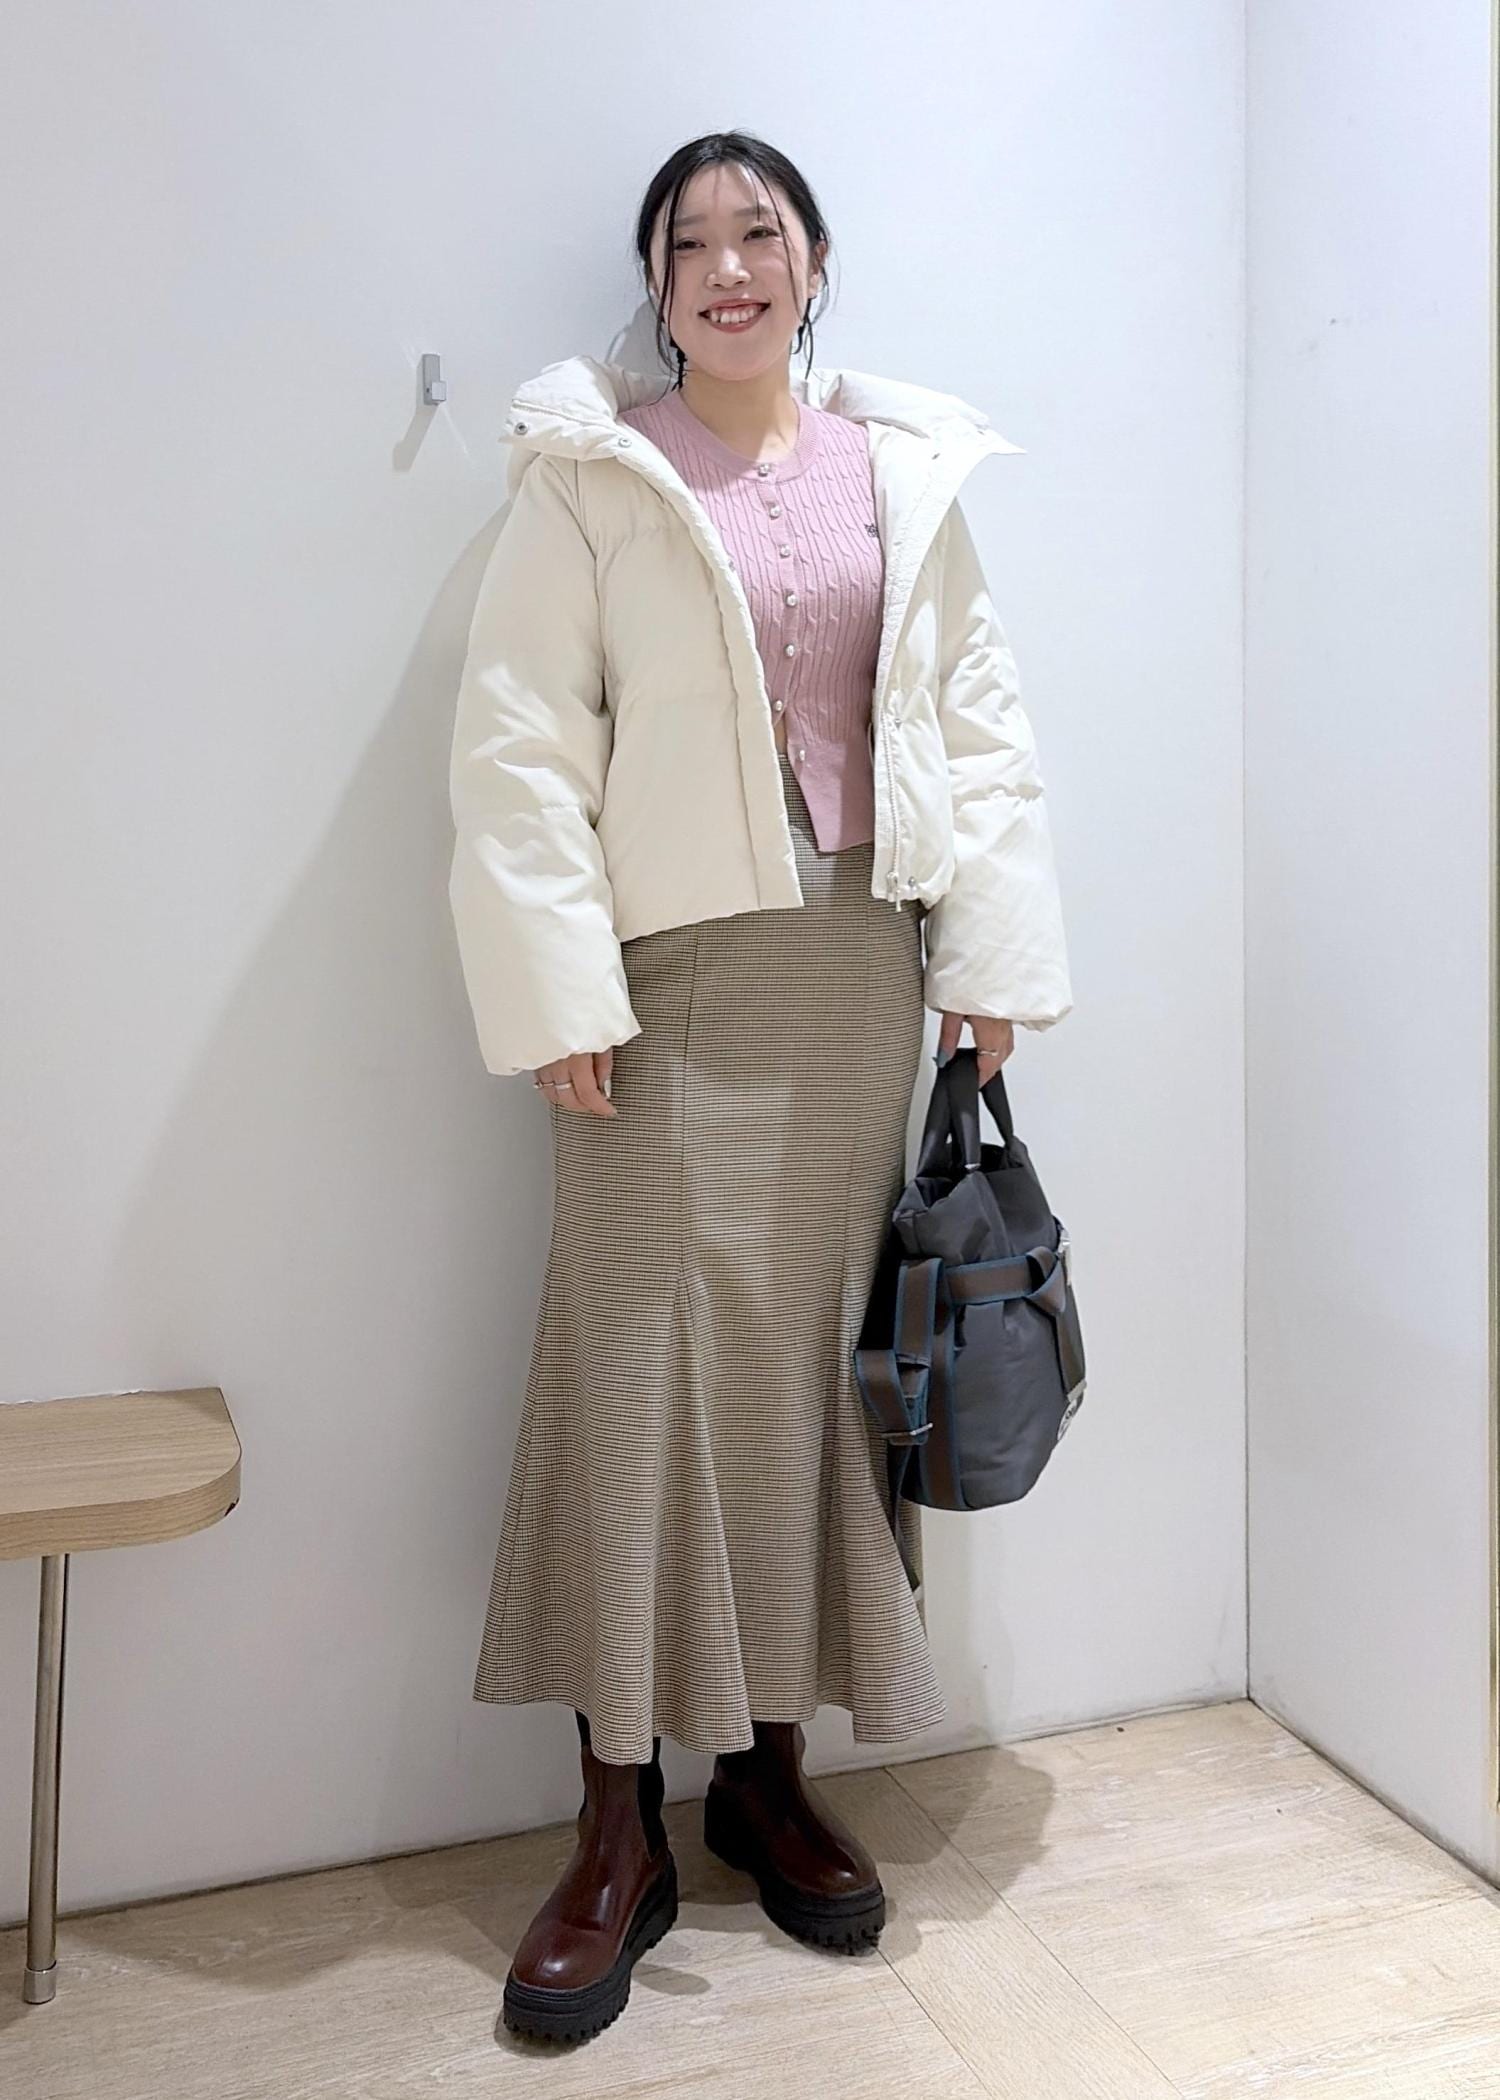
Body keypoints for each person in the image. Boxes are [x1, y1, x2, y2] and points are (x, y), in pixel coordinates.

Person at [445, 128, 1074, 2044]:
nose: (728, 267)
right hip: (665, 986)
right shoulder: (596, 476)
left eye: (761, 233)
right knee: (636, 1375)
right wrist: (559, 989)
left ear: (812, 266)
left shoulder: (898, 469)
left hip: (855, 970)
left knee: (815, 1375)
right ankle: (615, 1819)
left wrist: (989, 961)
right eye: (691, 242)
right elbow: (519, 744)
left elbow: (974, 716)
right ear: (657, 285)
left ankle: (768, 1776)